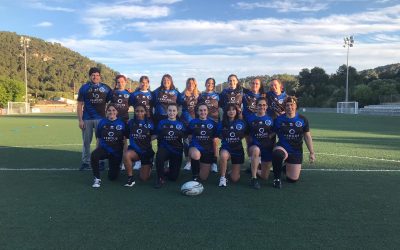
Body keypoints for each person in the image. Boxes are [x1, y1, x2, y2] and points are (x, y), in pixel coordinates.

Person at [271, 96, 315, 189]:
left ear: (296, 106)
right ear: (284, 107)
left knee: (292, 179)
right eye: (287, 105)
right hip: (282, 147)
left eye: (292, 105)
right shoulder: (279, 119)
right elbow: (272, 134)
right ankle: (277, 179)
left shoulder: (303, 119)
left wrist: (312, 152)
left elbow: (307, 136)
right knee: (277, 155)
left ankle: (284, 167)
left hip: (296, 150)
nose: (289, 107)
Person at [77, 67, 112, 170]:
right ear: (90, 76)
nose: (95, 77)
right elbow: (79, 105)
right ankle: (86, 162)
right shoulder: (84, 88)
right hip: (87, 119)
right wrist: (80, 120)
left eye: (97, 75)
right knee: (86, 142)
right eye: (93, 75)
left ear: (100, 76)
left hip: (101, 119)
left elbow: (112, 100)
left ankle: (101, 161)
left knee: (101, 141)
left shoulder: (106, 88)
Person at [91, 104, 126, 188]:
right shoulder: (102, 122)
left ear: (117, 112)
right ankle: (97, 179)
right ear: (106, 112)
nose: (111, 112)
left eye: (113, 110)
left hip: (116, 152)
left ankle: (114, 167)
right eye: (109, 110)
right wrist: (96, 151)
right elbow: (98, 139)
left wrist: (124, 157)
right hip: (104, 149)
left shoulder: (122, 123)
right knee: (94, 155)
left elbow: (125, 141)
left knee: (112, 177)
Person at [245, 97, 275, 189]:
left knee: (265, 177)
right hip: (254, 146)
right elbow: (246, 134)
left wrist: (270, 139)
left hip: (267, 147)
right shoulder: (250, 118)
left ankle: (254, 169)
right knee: (256, 150)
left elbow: (275, 132)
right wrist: (248, 145)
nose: (262, 107)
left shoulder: (271, 119)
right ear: (256, 106)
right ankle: (253, 178)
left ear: (267, 106)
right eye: (259, 105)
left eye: (264, 105)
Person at [154, 104, 186, 188]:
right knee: (159, 156)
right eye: (170, 110)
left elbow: (185, 137)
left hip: (176, 150)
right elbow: (157, 135)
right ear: (167, 111)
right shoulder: (162, 122)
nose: (172, 112)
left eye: (174, 110)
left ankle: (167, 170)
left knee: (173, 178)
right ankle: (160, 178)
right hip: (165, 148)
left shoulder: (181, 124)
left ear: (177, 112)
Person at [123, 104, 156, 187]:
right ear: (134, 112)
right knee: (127, 154)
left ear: (145, 112)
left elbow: (156, 134)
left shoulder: (149, 123)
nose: (139, 113)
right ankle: (130, 178)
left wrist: (149, 138)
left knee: (144, 178)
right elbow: (125, 135)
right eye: (137, 111)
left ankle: (149, 164)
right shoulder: (130, 122)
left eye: (141, 111)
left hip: (146, 151)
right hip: (135, 151)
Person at [217, 104, 247, 187]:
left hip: (238, 150)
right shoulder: (221, 123)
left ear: (236, 111)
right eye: (229, 110)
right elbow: (218, 135)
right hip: (226, 148)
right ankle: (222, 177)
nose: (231, 111)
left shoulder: (242, 123)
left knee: (235, 179)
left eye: (233, 109)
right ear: (226, 112)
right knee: (223, 155)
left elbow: (245, 134)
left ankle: (229, 170)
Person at [129, 75, 153, 170]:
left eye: (146, 82)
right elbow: (128, 104)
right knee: (137, 138)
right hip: (136, 120)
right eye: (142, 82)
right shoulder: (134, 94)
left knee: (147, 138)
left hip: (148, 119)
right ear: (139, 83)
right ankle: (138, 160)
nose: (144, 84)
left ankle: (149, 158)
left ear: (148, 84)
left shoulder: (152, 94)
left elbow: (154, 106)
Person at [188, 104, 218, 182]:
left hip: (208, 150)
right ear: (197, 112)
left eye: (205, 110)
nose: (203, 112)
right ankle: (195, 176)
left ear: (207, 112)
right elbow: (188, 134)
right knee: (196, 154)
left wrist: (215, 156)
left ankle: (203, 165)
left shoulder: (213, 123)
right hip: (195, 148)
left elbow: (215, 139)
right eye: (200, 110)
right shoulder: (192, 122)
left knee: (203, 177)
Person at [197, 77, 220, 173]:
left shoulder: (218, 95)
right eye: (208, 83)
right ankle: (201, 160)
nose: (210, 85)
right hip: (203, 121)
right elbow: (198, 108)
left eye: (212, 83)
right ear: (205, 84)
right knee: (203, 140)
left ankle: (214, 163)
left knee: (214, 141)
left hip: (214, 121)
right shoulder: (201, 95)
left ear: (214, 85)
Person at [179, 78, 200, 171]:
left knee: (195, 141)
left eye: (192, 83)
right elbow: (177, 106)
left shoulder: (199, 94)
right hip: (184, 122)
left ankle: (195, 160)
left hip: (195, 122)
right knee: (186, 142)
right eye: (189, 83)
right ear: (186, 84)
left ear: (195, 84)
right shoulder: (182, 95)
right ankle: (188, 161)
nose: (191, 85)